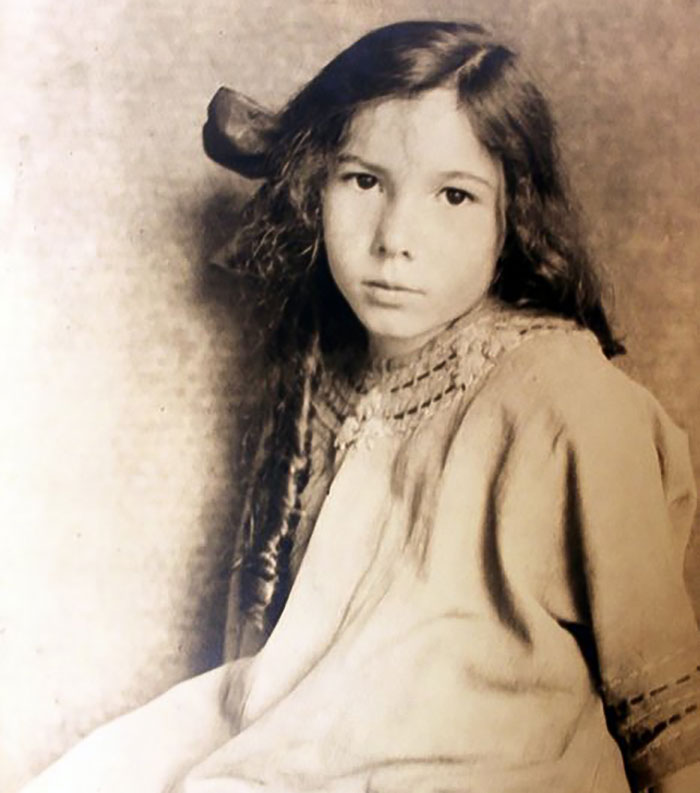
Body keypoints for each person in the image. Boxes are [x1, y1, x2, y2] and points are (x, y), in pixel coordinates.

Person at [19, 20, 700, 793]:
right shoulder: (331, 366)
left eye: (454, 195)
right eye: (364, 181)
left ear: (513, 215)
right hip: (302, 749)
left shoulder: (568, 397)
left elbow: (671, 714)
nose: (395, 238)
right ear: (315, 185)